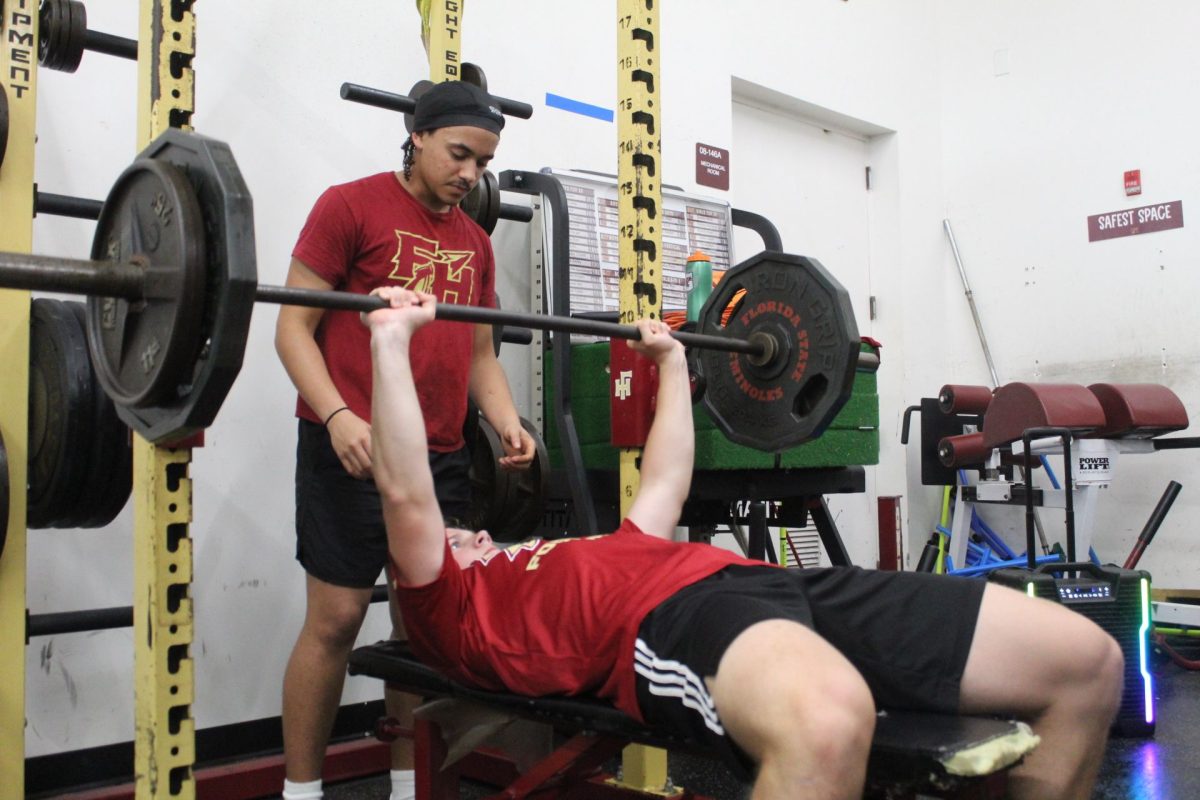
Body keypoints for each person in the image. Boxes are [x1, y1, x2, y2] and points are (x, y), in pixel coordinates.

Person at [365, 285, 1125, 800]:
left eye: (465, 530)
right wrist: (391, 345)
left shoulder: (582, 552)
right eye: (455, 536)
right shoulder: (452, 606)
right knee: (827, 723)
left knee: (1086, 663)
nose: (469, 532)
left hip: (769, 586)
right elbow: (406, 490)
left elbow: (663, 483)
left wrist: (670, 365)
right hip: (670, 624)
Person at [274, 81, 536, 800]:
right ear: (416, 136)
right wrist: (335, 416)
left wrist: (506, 420)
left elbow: (481, 357)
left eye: (482, 163)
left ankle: (405, 784)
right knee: (336, 620)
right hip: (349, 448)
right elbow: (291, 329)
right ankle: (302, 791)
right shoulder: (349, 206)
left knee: (422, 627)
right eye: (459, 155)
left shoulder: (475, 243)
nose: (470, 175)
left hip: (439, 458)